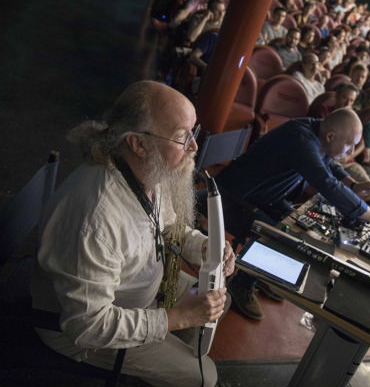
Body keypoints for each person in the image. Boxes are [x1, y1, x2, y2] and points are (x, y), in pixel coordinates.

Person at [30, 81, 235, 387]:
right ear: (139, 143)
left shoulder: (146, 170)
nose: (194, 146)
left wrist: (202, 247)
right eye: (182, 137)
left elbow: (165, 225)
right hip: (83, 331)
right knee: (205, 376)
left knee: (220, 299)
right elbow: (87, 326)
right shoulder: (96, 218)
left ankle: (166, 355)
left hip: (136, 288)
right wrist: (177, 318)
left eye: (194, 132)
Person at [215, 109, 370, 320]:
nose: (352, 150)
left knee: (300, 227)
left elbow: (328, 163)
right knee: (280, 235)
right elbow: (326, 183)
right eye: (350, 144)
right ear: (330, 136)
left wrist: (354, 184)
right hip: (231, 198)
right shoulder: (301, 138)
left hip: (263, 196)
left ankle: (258, 272)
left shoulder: (318, 130)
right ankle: (242, 284)